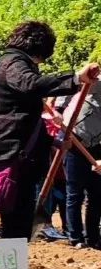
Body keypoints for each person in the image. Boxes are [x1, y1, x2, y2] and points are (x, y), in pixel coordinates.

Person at [0, 21, 98, 241]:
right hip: (9, 155)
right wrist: (75, 79)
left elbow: (25, 118)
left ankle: (13, 267)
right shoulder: (13, 63)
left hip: (16, 155)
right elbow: (30, 84)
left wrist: (51, 142)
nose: (41, 63)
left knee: (19, 223)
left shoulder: (9, 64)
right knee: (16, 223)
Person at [55, 81, 101, 248]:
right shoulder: (94, 81)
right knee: (75, 192)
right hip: (75, 140)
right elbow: (70, 85)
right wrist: (57, 112)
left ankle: (93, 237)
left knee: (97, 194)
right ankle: (75, 237)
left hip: (98, 145)